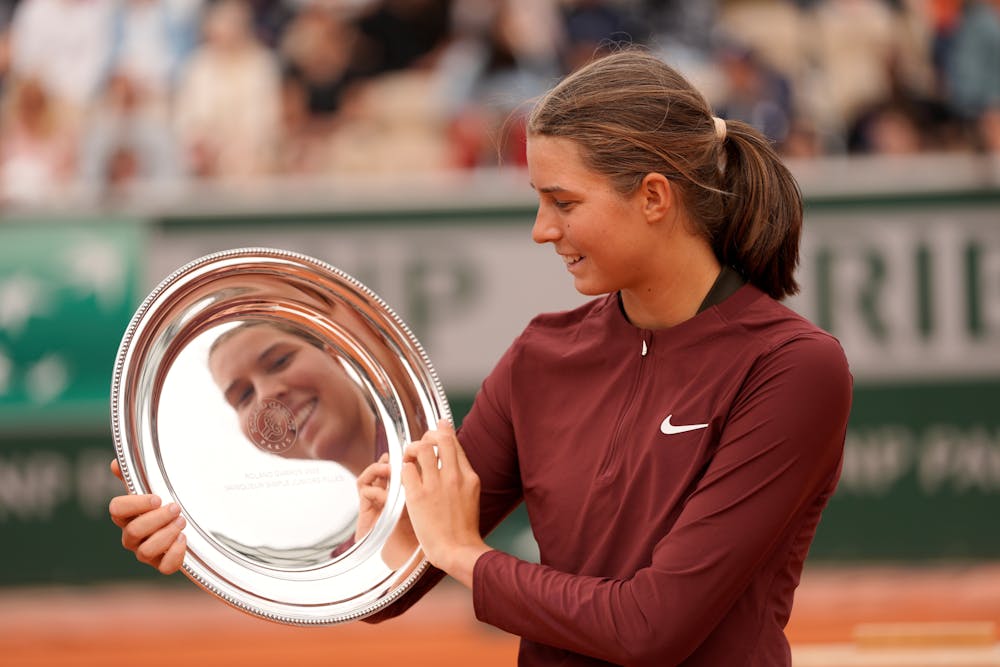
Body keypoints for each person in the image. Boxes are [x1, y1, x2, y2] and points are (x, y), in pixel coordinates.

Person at [110, 49, 852, 665]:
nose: (541, 229)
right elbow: (395, 574)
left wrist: (466, 554)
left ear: (654, 197)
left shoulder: (793, 369)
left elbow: (651, 627)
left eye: (564, 202)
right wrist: (203, 526)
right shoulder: (540, 355)